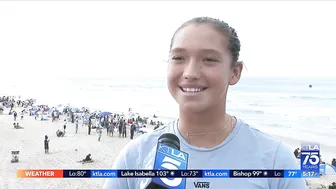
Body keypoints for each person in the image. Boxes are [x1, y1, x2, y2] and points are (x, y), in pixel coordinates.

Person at [103, 17, 306, 189]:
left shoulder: (275, 160)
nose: (190, 73)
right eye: (179, 57)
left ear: (235, 72)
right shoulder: (136, 155)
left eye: (209, 59)